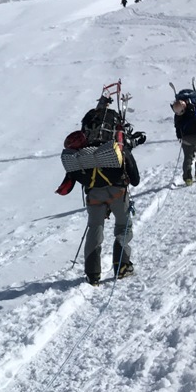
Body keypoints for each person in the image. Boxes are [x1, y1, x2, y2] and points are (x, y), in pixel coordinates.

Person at [56, 106, 142, 285]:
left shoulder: (80, 152)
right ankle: (122, 265)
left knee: (95, 228)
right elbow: (135, 180)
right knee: (123, 226)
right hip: (118, 191)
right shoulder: (116, 148)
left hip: (94, 193)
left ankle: (92, 274)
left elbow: (70, 179)